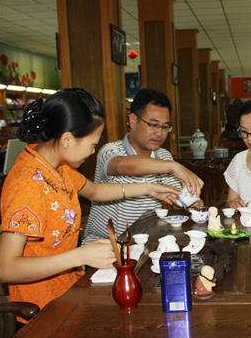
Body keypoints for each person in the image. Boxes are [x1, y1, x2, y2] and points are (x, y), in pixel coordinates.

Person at [0, 89, 180, 320]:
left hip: (69, 289)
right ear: (67, 139)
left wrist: (149, 188)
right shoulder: (27, 184)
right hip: (43, 308)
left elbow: (94, 191)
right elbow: (6, 268)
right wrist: (80, 256)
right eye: (93, 143)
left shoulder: (57, 167)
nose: (93, 150)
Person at [83, 88, 204, 243]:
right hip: (104, 243)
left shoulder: (164, 157)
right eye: (153, 125)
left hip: (144, 241)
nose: (159, 133)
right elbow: (121, 166)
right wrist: (174, 166)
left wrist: (189, 203)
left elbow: (175, 199)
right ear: (133, 121)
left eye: (165, 126)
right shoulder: (111, 150)